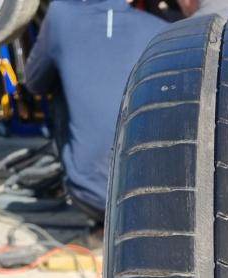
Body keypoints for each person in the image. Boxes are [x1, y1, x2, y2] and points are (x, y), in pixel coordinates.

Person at [24, 0, 167, 220]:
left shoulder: (60, 15)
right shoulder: (162, 30)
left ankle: (92, 189)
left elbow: (35, 83)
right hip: (149, 196)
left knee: (57, 85)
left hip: (90, 193)